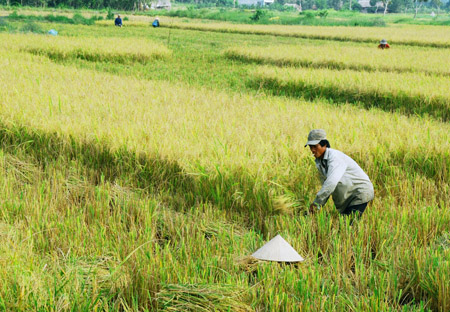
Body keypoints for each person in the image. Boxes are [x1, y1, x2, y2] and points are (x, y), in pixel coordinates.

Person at [305, 129, 374, 217]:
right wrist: (317, 206)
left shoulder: (335, 158)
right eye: (310, 147)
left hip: (359, 193)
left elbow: (331, 183)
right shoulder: (319, 162)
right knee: (345, 225)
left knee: (348, 226)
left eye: (315, 146)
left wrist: (316, 203)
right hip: (347, 198)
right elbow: (326, 187)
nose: (312, 150)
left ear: (324, 144)